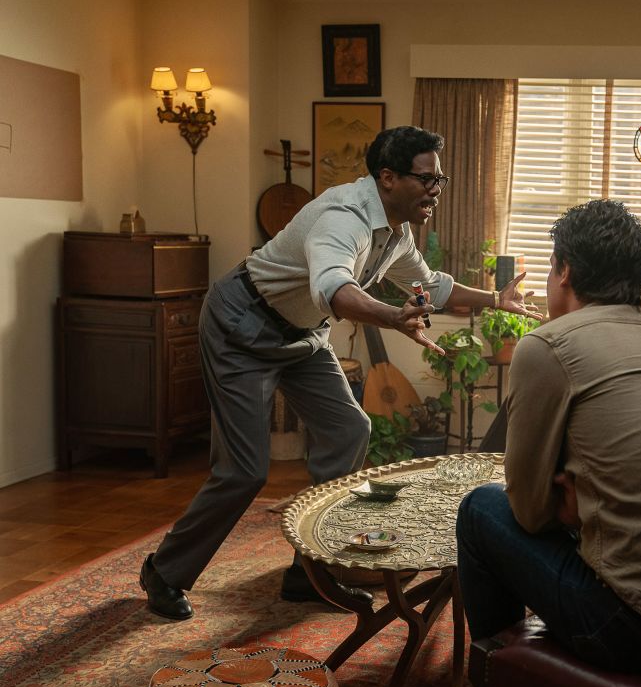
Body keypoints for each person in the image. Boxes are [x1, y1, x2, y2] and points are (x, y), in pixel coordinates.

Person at [139, 125, 541, 620]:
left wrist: (494, 299)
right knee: (243, 471)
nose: (436, 189)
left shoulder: (396, 230)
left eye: (441, 180)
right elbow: (334, 287)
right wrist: (393, 316)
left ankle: (308, 574)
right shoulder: (343, 217)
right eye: (427, 179)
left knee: (350, 428)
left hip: (302, 335)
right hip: (241, 326)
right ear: (388, 178)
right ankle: (164, 573)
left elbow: (429, 284)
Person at [455, 200, 641, 681]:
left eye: (551, 267)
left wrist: (567, 503)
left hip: (633, 631)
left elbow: (530, 513)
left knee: (480, 508)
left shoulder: (548, 344)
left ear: (565, 271)